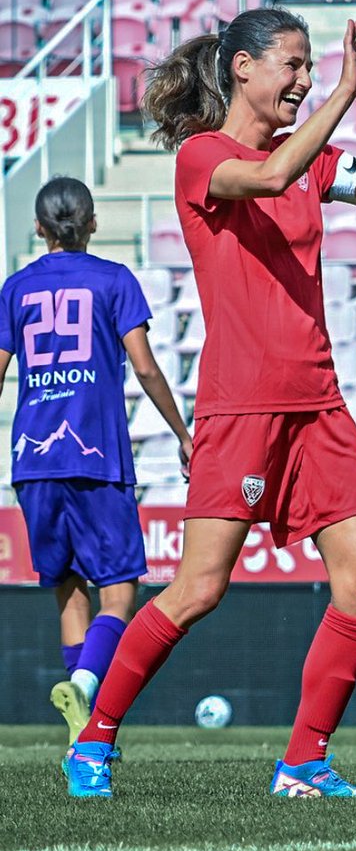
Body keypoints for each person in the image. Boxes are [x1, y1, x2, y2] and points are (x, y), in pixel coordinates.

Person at [62, 6, 356, 799]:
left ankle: (304, 762)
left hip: (320, 404)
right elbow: (271, 177)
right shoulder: (203, 158)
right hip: (241, 407)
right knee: (200, 587)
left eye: (312, 67)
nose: (304, 80)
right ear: (242, 68)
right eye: (293, 65)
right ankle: (93, 741)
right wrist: (345, 92)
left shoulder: (308, 159)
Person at [0, 177, 192, 745]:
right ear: (91, 224)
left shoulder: (15, 287)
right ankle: (85, 687)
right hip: (96, 454)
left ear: (39, 228)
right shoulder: (113, 279)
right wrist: (182, 433)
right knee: (120, 590)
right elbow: (147, 367)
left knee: (66, 587)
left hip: (33, 460)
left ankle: (80, 722)